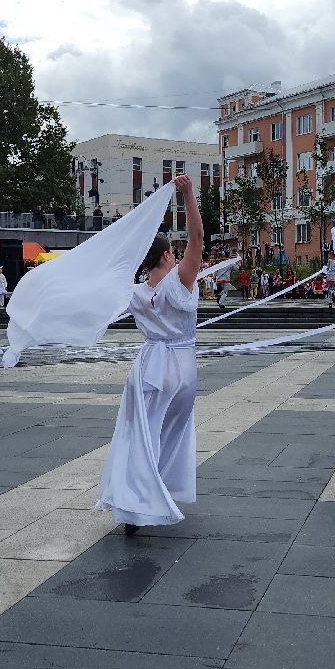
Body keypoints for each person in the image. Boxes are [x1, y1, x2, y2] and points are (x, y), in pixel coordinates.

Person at [97, 173, 203, 536]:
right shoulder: (180, 281)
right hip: (181, 368)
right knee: (170, 434)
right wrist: (188, 195)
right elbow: (197, 238)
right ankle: (148, 495)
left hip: (148, 366)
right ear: (167, 255)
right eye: (173, 250)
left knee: (140, 435)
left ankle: (139, 496)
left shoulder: (135, 291)